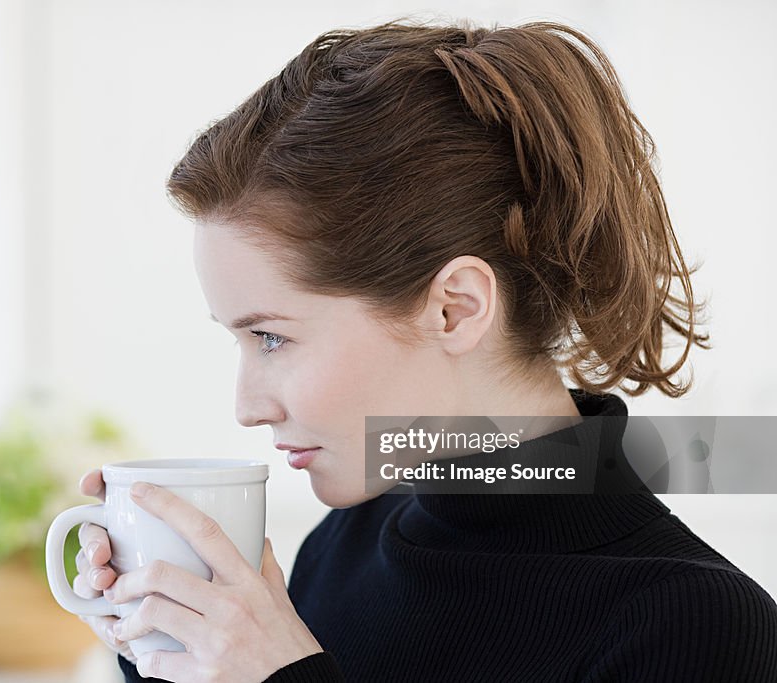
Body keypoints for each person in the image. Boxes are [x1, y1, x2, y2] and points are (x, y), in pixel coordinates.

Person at [70, 18, 777, 682]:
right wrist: (163, 645)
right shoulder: (341, 547)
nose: (247, 406)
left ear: (456, 308)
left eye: (272, 337)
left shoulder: (700, 629)